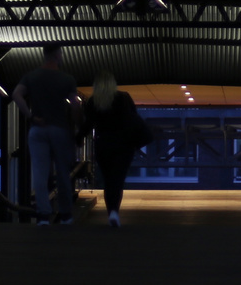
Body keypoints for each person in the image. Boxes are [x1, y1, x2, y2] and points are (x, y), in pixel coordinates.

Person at [13, 46, 82, 225]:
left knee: (40, 173)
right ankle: (66, 214)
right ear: (58, 55)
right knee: (62, 173)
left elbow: (17, 95)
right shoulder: (67, 79)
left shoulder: (31, 76)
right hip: (60, 129)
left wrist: (30, 116)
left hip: (37, 129)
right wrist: (76, 123)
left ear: (44, 55)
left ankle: (43, 215)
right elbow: (75, 104)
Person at [79, 69, 149, 227]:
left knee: (108, 180)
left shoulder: (93, 101)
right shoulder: (123, 98)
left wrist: (77, 139)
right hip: (124, 145)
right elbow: (134, 118)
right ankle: (114, 213)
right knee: (117, 180)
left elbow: (88, 124)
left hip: (103, 144)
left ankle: (111, 211)